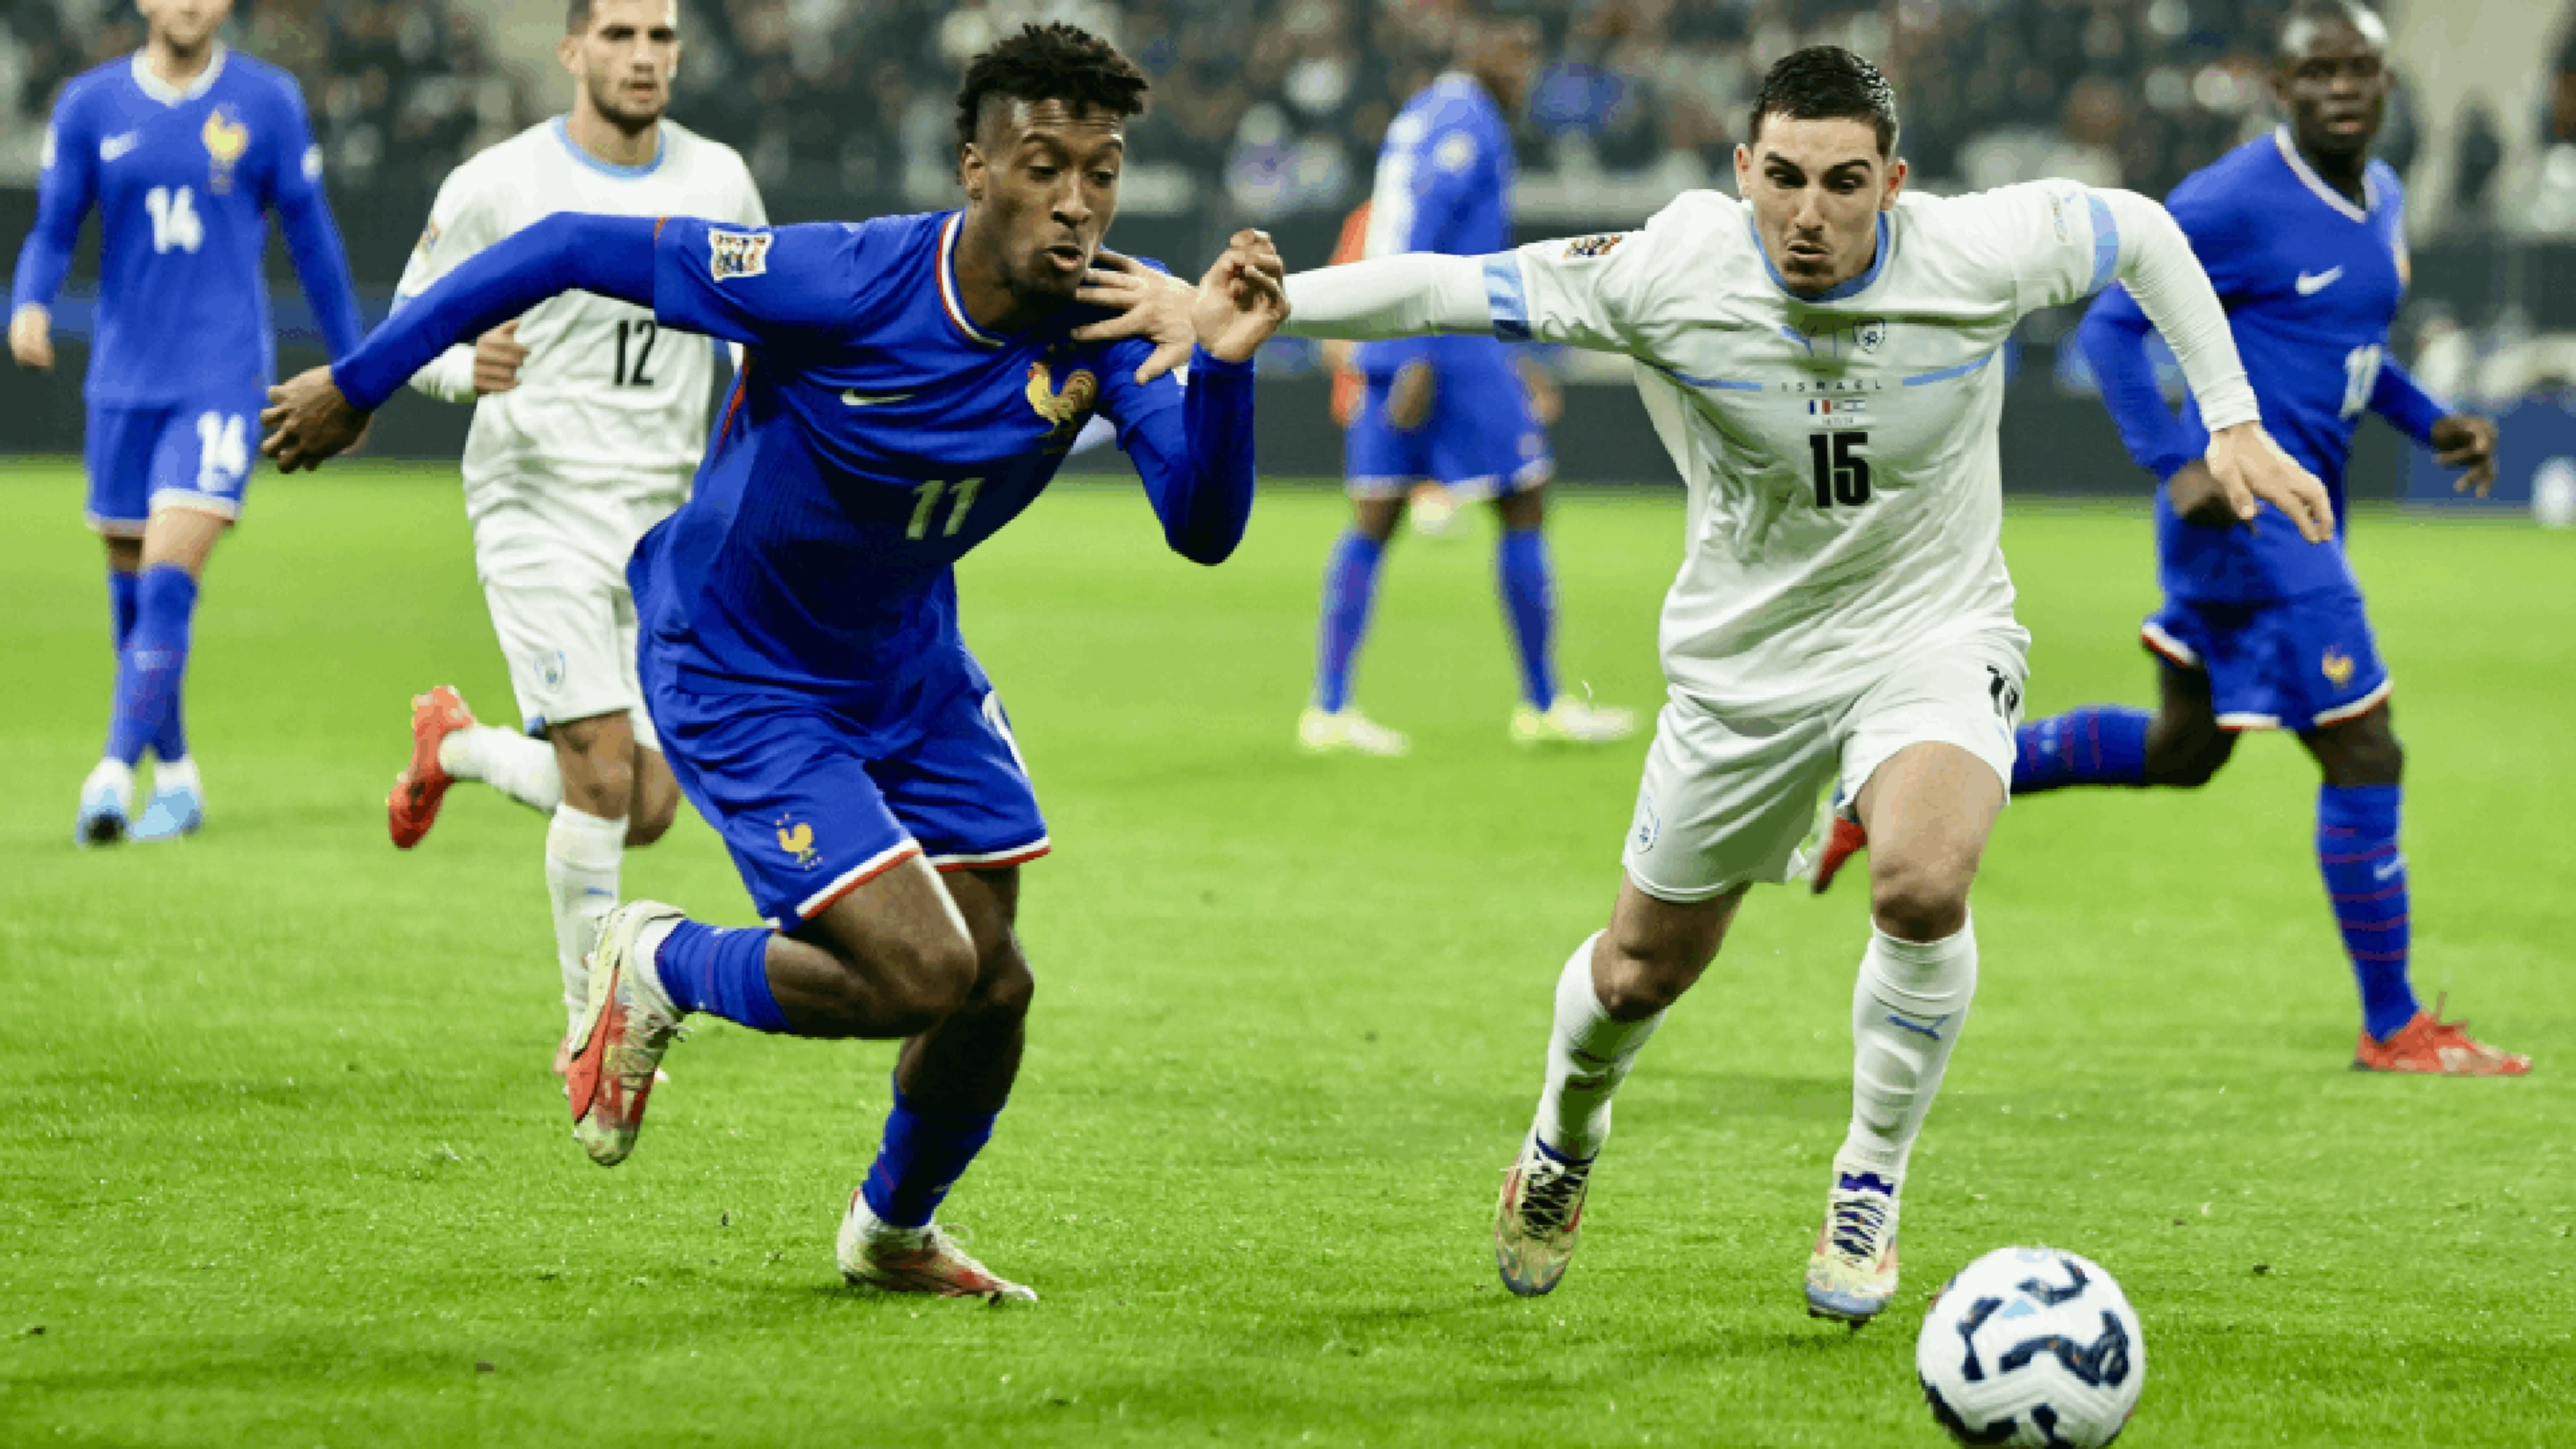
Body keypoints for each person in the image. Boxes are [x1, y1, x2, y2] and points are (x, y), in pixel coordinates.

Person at [1277, 46, 2332, 1321]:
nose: (1809, 214)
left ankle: (1868, 1187)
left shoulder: (1978, 251)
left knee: (1924, 880)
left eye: (1842, 183)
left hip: (1930, 630)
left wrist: (2231, 417)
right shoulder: (1676, 265)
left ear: (1894, 182)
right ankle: (1563, 1137)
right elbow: (1450, 287)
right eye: (1782, 178)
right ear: (1742, 172)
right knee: (1637, 975)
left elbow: (2144, 233)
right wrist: (1266, 309)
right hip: (1745, 668)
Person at [260, 23, 1285, 1303]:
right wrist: (362, 383)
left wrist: (1228, 372)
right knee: (921, 971)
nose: (1075, 203)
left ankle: (890, 1232)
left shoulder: (1112, 320)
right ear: (975, 167)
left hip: (907, 664)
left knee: (994, 988)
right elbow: (572, 246)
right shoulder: (844, 279)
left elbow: (1201, 527)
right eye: (1041, 166)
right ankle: (658, 959)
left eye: (1103, 170)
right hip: (739, 659)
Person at [1820, 1, 2526, 1077]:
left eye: (2360, 72)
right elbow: (2112, 322)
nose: (2341, 88)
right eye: (2318, 73)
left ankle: (1898, 797)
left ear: (2385, 89)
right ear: (2280, 91)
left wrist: (2435, 425)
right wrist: (2175, 459)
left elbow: (2347, 351)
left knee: (2183, 751)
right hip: (2248, 518)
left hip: (2291, 509)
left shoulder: (2379, 194)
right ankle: (2394, 1026)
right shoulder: (2233, 197)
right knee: (2364, 742)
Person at [381, 0, 769, 1059]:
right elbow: (407, 331)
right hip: (535, 504)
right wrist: (467, 371)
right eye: (620, 36)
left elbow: (758, 331)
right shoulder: (499, 184)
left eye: (660, 37)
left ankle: (455, 746)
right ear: (572, 52)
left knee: (645, 806)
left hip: (664, 529)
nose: (643, 56)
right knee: (600, 777)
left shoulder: (719, 179)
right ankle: (587, 1030)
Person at [8, 0, 361, 845]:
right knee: (134, 597)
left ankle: (108, 775)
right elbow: (55, 227)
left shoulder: (267, 102)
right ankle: (177, 777)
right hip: (123, 381)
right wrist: (28, 302)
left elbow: (314, 240)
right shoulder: (90, 104)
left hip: (220, 375)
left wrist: (355, 374)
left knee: (169, 576)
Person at [1298, 14, 1633, 757]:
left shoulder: (1423, 113)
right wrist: (1419, 350)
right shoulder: (1466, 119)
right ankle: (1542, 703)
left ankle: (1330, 707)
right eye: (1516, 47)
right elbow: (1424, 235)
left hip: (1407, 341)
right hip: (1439, 346)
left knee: (1375, 517)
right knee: (1523, 498)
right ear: (1476, 43)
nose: (1525, 69)